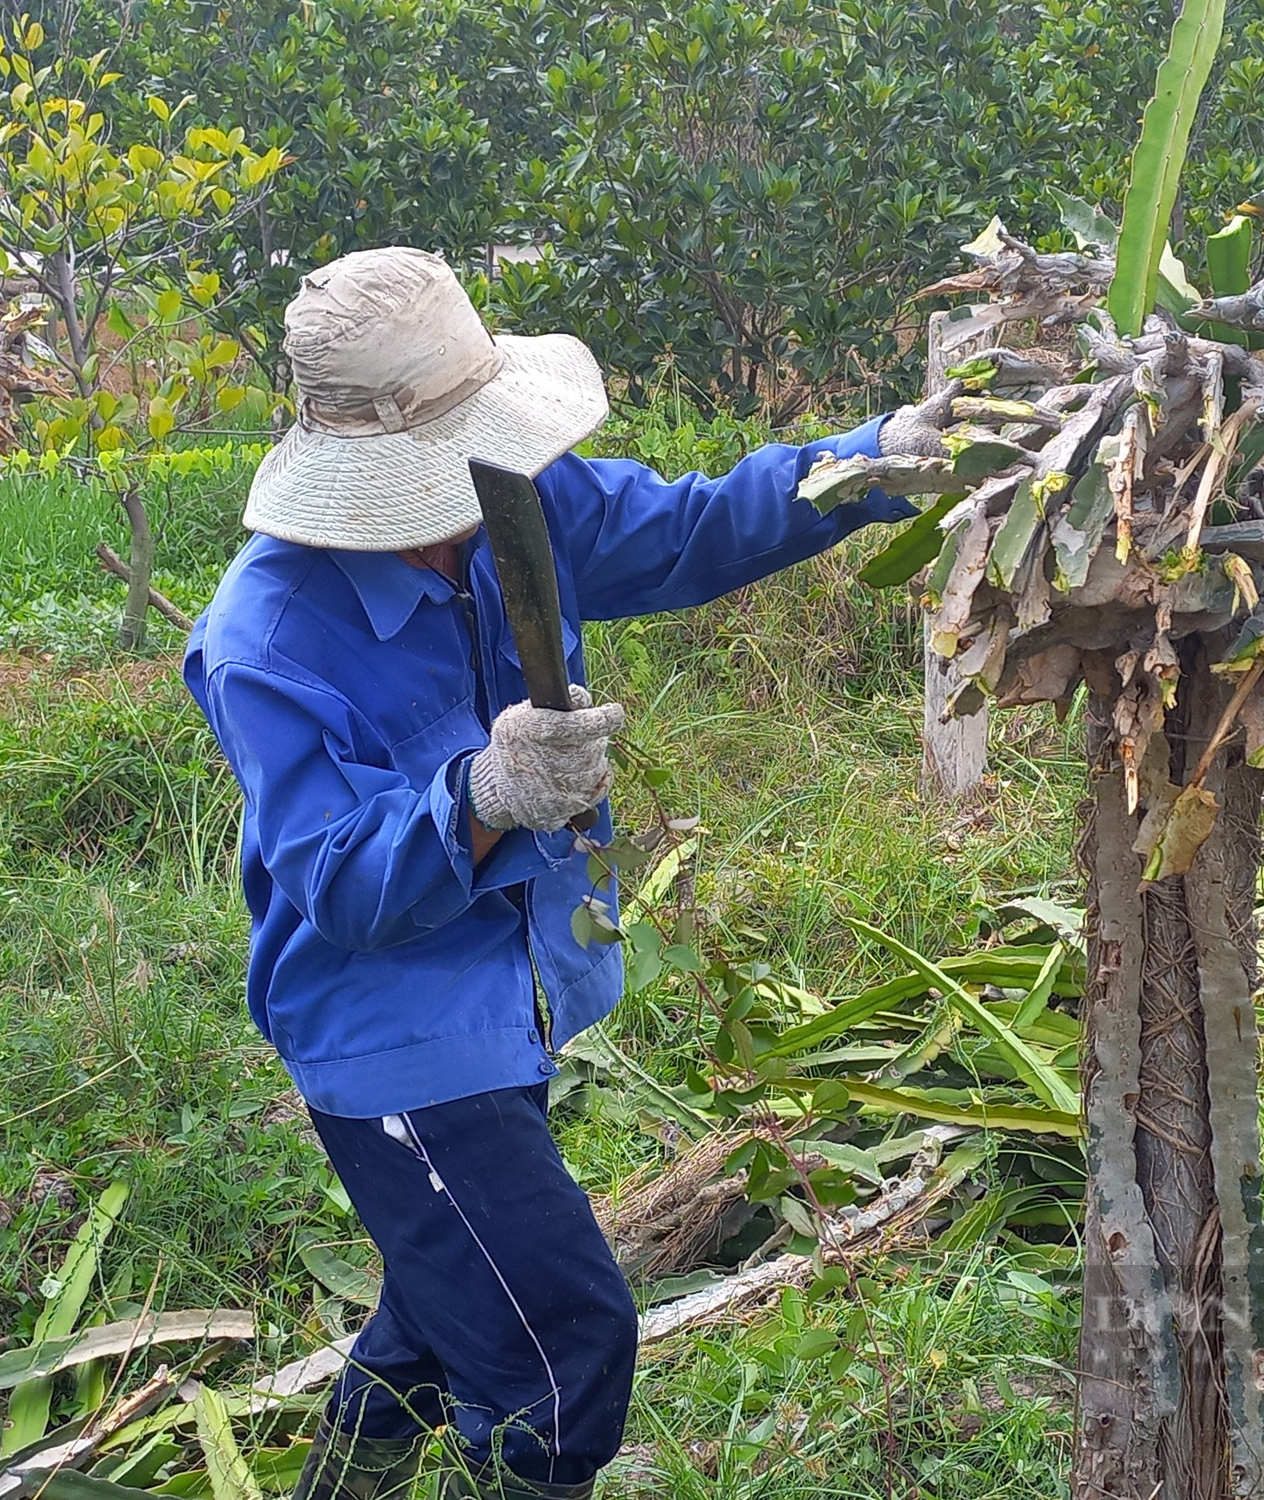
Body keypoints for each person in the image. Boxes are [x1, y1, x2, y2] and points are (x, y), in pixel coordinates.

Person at [183, 246, 949, 1500]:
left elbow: (690, 527)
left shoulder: (515, 504)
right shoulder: (269, 636)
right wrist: (480, 797)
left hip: (511, 998)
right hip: (398, 1043)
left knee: (441, 1313)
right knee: (557, 1350)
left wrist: (867, 462)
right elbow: (334, 879)